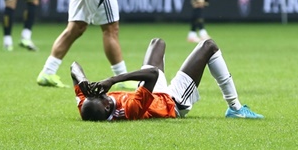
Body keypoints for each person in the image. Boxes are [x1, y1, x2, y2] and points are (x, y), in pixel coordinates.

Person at [71, 38, 264, 121]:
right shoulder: (129, 109)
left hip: (150, 92)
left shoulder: (87, 105)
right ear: (106, 108)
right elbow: (153, 75)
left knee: (157, 42)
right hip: (172, 102)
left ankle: (236, 108)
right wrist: (112, 80)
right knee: (209, 46)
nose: (101, 93)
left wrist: (83, 81)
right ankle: (235, 108)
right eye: (101, 96)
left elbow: (74, 67)